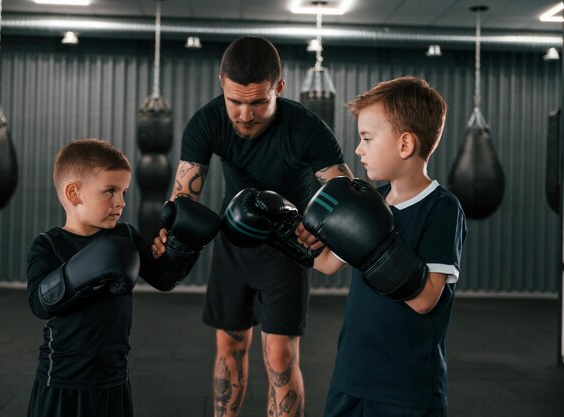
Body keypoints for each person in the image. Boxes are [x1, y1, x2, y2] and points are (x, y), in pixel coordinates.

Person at [151, 36, 353, 417]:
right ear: (221, 84)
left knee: (280, 355)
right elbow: (184, 197)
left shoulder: (307, 129)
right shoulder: (207, 121)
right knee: (229, 345)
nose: (244, 114)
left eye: (258, 101)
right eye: (235, 101)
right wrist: (171, 235)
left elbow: (344, 191)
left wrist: (321, 225)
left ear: (279, 87)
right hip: (235, 240)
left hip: (287, 243)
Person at [299, 76, 468, 417]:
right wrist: (283, 232)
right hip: (351, 375)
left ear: (405, 144)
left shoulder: (441, 208)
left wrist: (375, 246)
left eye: (367, 138)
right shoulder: (372, 202)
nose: (358, 149)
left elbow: (424, 300)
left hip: (406, 387)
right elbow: (329, 263)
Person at [26, 138, 220, 417]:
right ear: (73, 193)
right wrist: (87, 267)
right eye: (110, 191)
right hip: (61, 380)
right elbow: (38, 303)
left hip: (114, 377)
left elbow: (163, 279)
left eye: (124, 192)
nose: (121, 202)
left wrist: (181, 246)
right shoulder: (48, 244)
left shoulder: (125, 235)